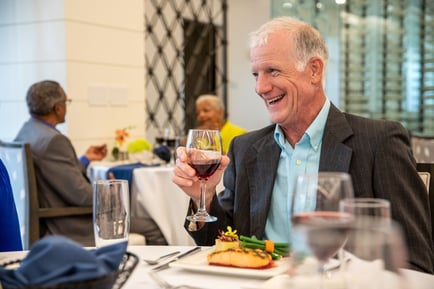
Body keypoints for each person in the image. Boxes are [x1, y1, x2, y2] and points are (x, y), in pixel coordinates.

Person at [173, 17, 434, 273]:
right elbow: (219, 245)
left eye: (273, 71)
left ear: (314, 70)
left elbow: (416, 262)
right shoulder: (246, 149)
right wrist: (203, 197)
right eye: (256, 74)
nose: (260, 87)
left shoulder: (379, 142)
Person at [14, 80, 107, 246]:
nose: (66, 107)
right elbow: (83, 196)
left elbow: (57, 173)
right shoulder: (54, 141)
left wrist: (86, 158)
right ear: (57, 108)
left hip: (43, 222)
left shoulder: (27, 130)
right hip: (68, 226)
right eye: (66, 102)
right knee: (151, 226)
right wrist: (113, 191)